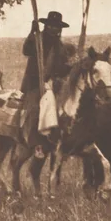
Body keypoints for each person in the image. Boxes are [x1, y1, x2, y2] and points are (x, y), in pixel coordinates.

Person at [20, 11, 73, 151]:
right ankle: (35, 143)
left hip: (52, 84)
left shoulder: (59, 46)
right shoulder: (38, 39)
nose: (56, 29)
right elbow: (26, 50)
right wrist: (32, 33)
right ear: (47, 26)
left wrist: (71, 68)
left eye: (58, 27)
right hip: (34, 83)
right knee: (35, 109)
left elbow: (61, 68)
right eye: (52, 26)